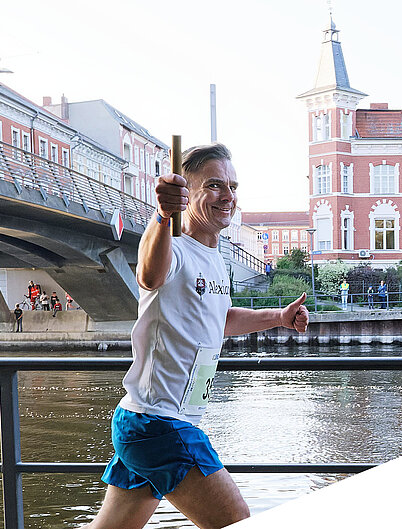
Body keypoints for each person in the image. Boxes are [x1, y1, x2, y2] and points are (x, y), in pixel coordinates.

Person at [87, 143, 309, 529]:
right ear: (185, 192)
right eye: (215, 185)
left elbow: (218, 319)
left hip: (147, 422)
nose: (229, 196)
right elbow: (150, 276)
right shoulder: (169, 245)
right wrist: (162, 214)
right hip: (160, 424)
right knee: (237, 522)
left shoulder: (216, 259)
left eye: (233, 185)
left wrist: (279, 317)